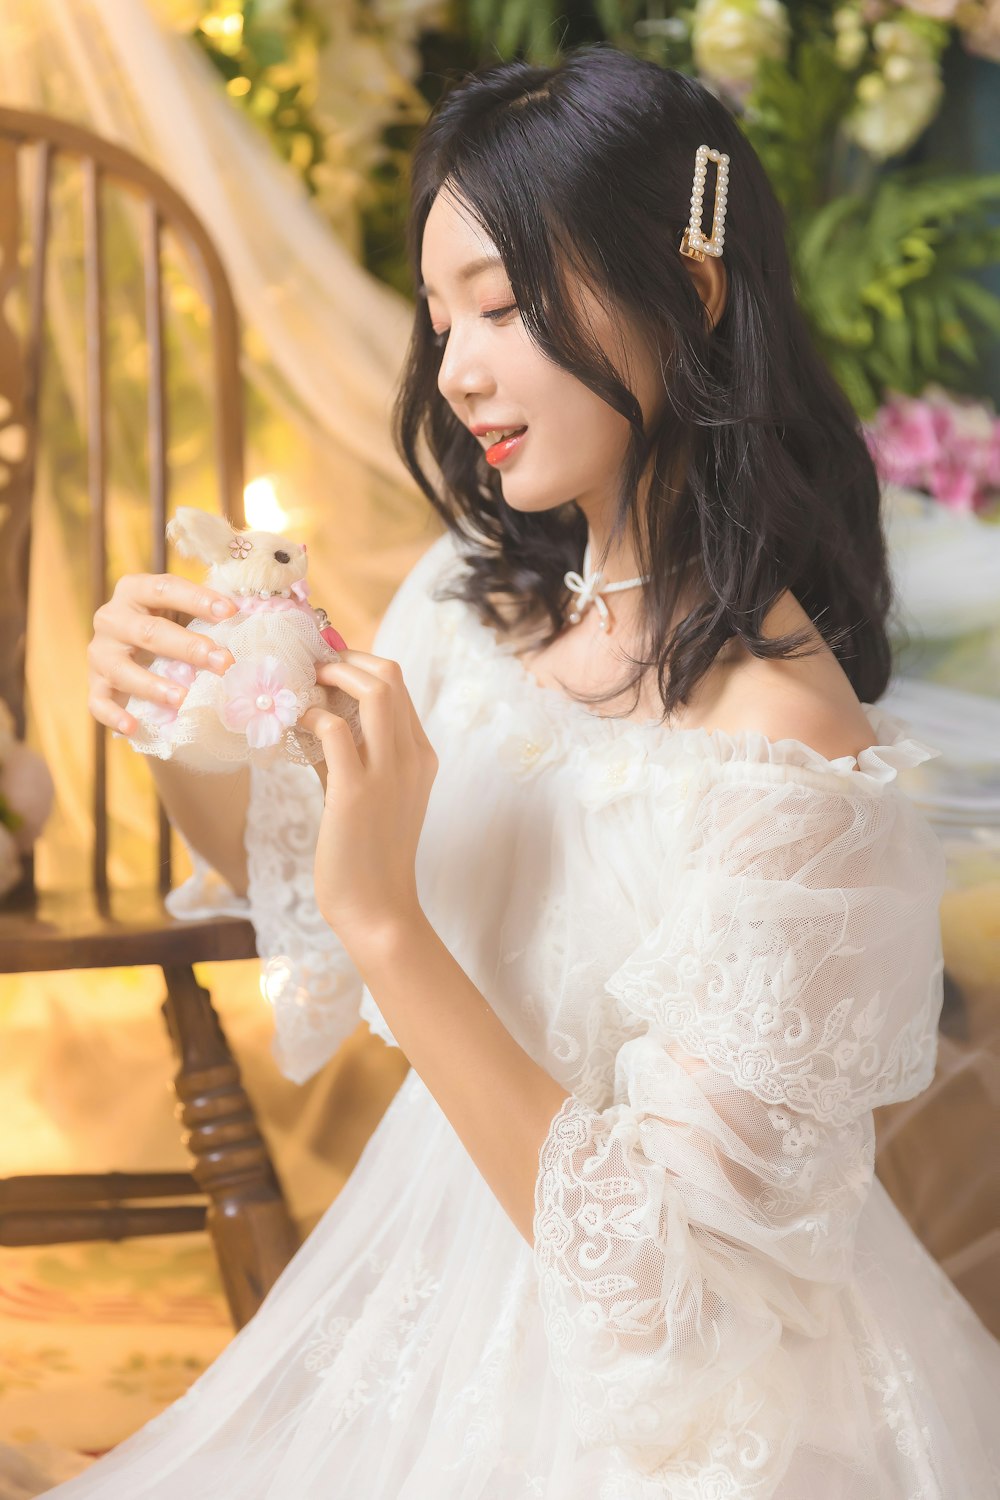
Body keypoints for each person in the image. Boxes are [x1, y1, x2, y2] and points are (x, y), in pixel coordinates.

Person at [35, 42, 1000, 1500]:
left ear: (691, 287)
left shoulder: (791, 759)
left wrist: (391, 930)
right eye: (440, 315)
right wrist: (191, 718)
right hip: (427, 1301)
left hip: (683, 1421)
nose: (457, 367)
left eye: (501, 303)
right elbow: (291, 877)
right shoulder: (476, 603)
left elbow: (679, 1315)